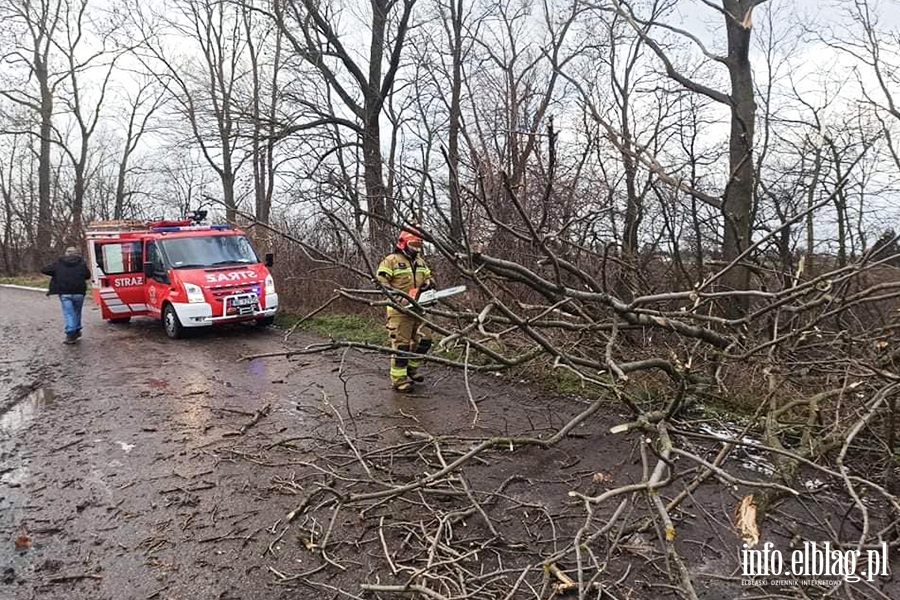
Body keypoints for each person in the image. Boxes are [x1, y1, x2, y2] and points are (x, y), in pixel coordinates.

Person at [376, 228, 435, 392]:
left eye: (419, 245)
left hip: (419, 308)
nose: (416, 248)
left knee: (425, 340)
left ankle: (411, 369)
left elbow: (429, 277)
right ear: (403, 243)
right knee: (401, 346)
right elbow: (381, 282)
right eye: (413, 244)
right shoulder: (391, 260)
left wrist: (429, 285)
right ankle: (399, 380)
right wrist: (397, 298)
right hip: (399, 311)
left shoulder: (421, 262)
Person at [42, 246, 91, 345]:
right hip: (79, 292)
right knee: (77, 312)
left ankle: (71, 333)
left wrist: (57, 273)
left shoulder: (59, 263)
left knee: (69, 312)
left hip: (64, 292)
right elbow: (87, 275)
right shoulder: (81, 263)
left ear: (66, 253)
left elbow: (44, 270)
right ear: (76, 253)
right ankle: (76, 330)